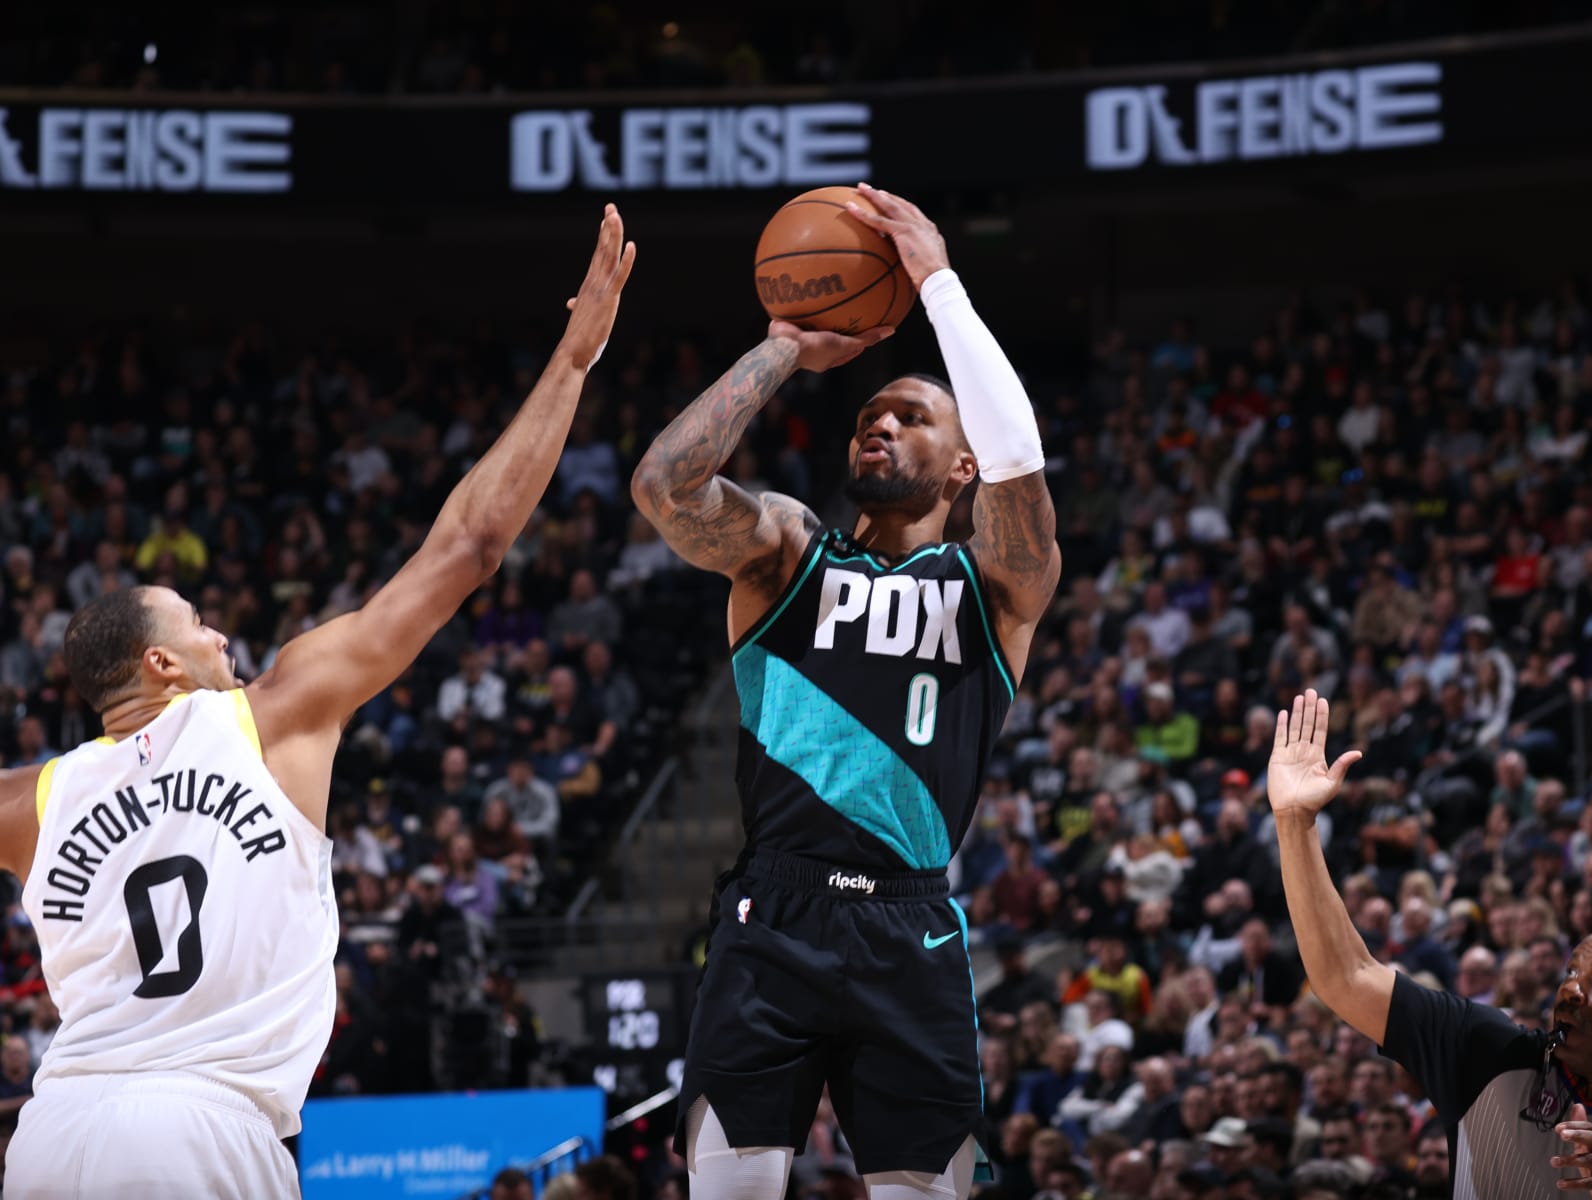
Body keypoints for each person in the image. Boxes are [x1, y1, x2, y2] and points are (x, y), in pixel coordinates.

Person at [0, 207, 634, 1197]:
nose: (221, 636)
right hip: (201, 1131)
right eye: (198, 623)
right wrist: (575, 360)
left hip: (52, 1133)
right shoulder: (269, 713)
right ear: (160, 666)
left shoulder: (34, 801)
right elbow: (466, 550)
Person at [634, 183, 1059, 1199]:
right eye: (869, 413)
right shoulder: (786, 550)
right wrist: (785, 346)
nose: (878, 424)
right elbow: (665, 487)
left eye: (909, 417)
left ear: (962, 465)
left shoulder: (996, 585)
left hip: (910, 927)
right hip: (772, 911)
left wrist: (938, 284)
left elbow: (1020, 459)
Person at [1268, 689, 1592, 1198]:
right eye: (1572, 972)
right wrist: (1294, 825)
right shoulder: (1487, 1052)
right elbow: (1346, 976)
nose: (1571, 991)